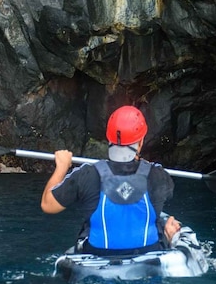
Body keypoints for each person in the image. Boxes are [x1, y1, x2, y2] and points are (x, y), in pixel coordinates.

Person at [40, 105, 182, 255]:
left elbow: (48, 205)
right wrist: (167, 235)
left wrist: (61, 167)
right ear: (141, 142)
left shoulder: (87, 174)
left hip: (98, 256)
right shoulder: (159, 176)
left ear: (109, 138)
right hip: (148, 256)